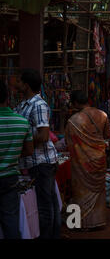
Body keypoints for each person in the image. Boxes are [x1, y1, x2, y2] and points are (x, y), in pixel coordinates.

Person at [14, 69, 61, 239]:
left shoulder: (38, 104)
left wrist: (23, 141)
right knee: (49, 203)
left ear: (25, 85)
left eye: (19, 81)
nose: (16, 84)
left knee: (45, 206)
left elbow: (43, 134)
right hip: (35, 162)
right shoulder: (23, 104)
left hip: (41, 162)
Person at [64, 91, 110, 230]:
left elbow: (68, 143)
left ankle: (81, 223)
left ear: (75, 103)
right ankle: (99, 220)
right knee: (99, 191)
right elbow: (107, 135)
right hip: (100, 158)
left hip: (82, 162)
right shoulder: (103, 115)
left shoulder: (73, 121)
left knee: (80, 191)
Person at [0, 80, 34, 239]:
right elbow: (29, 150)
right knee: (10, 220)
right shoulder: (22, 122)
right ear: (7, 97)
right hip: (10, 177)